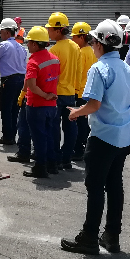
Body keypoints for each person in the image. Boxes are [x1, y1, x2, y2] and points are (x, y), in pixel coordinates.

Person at [61, 19, 130, 255]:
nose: (92, 45)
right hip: (124, 136)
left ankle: (89, 237)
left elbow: (93, 104)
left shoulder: (99, 68)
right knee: (115, 185)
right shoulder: (125, 67)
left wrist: (76, 113)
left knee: (95, 187)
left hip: (104, 137)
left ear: (100, 44)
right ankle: (112, 235)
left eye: (94, 41)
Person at [18, 26, 60, 178]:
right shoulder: (55, 59)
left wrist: (44, 95)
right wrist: (50, 95)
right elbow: (56, 79)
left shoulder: (33, 61)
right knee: (49, 135)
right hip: (52, 105)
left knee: (38, 138)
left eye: (29, 42)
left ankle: (40, 167)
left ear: (35, 44)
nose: (27, 45)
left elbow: (32, 85)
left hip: (37, 105)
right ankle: (52, 165)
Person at [47, 12, 80, 170]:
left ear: (58, 30)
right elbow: (79, 71)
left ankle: (55, 159)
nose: (48, 32)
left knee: (54, 127)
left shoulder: (54, 50)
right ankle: (66, 158)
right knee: (70, 128)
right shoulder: (75, 46)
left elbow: (52, 75)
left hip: (56, 93)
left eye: (50, 29)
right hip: (71, 92)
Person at [71, 22, 96, 162]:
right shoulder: (93, 50)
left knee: (79, 124)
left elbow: (78, 73)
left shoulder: (80, 52)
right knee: (87, 124)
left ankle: (78, 151)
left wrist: (74, 90)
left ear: (81, 37)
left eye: (74, 37)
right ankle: (86, 148)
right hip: (91, 92)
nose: (73, 39)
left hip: (80, 92)